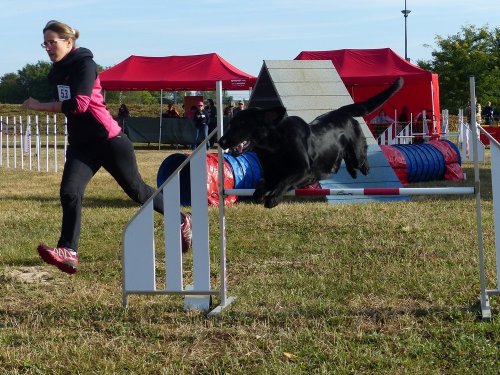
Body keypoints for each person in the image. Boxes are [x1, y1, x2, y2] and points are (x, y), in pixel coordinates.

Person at [22, 20, 192, 274]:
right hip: (81, 145)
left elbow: (79, 105)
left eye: (52, 42)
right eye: (44, 43)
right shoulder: (55, 72)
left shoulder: (85, 64)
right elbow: (67, 105)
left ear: (68, 42)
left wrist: (39, 105)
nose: (47, 47)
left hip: (109, 141)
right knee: (70, 192)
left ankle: (181, 221)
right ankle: (68, 250)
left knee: (138, 192)